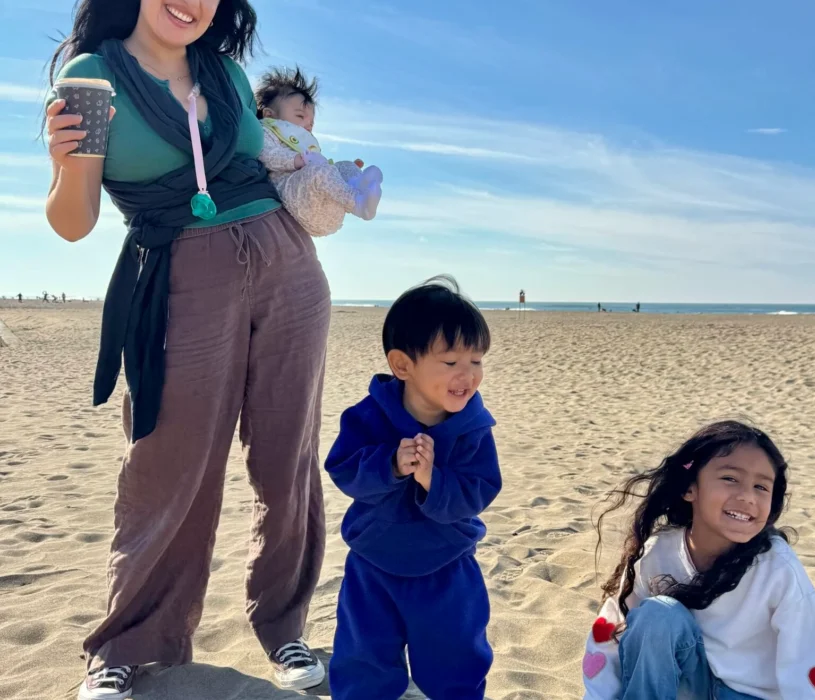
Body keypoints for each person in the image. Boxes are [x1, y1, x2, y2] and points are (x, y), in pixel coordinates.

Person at [44, 1, 330, 698]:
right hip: (179, 273)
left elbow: (269, 160)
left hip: (286, 265)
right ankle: (128, 642)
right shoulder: (94, 75)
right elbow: (73, 223)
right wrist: (64, 162)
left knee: (286, 457)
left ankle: (285, 627)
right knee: (168, 463)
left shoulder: (226, 73)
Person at [583, 421, 815, 700]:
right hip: (686, 688)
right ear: (690, 488)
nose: (747, 496)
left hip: (751, 695)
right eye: (730, 479)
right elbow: (611, 635)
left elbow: (810, 653)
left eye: (761, 486)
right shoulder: (657, 552)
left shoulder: (777, 568)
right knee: (657, 615)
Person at [323, 275, 501, 700]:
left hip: (446, 566)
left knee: (455, 660)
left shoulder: (473, 428)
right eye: (451, 361)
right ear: (403, 365)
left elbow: (479, 490)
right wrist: (391, 464)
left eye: (476, 361)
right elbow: (343, 469)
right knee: (364, 659)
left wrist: (432, 480)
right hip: (373, 563)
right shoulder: (368, 417)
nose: (467, 375)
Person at [254, 66, 383, 237]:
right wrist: (296, 160)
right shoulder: (267, 130)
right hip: (293, 197)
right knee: (319, 172)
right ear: (270, 115)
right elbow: (266, 155)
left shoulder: (301, 141)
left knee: (343, 165)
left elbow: (321, 170)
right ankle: (357, 202)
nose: (307, 125)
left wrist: (341, 174)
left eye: (311, 123)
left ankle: (358, 185)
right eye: (300, 116)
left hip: (326, 211)